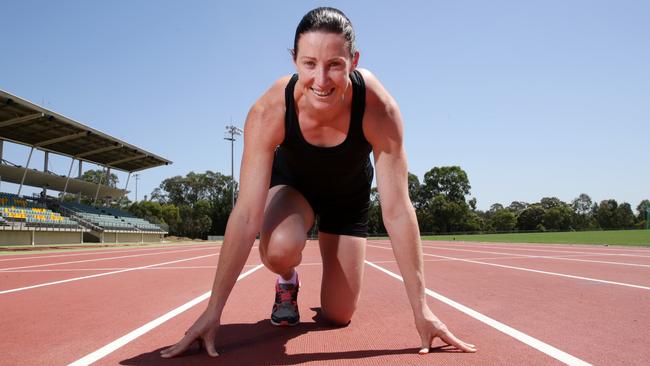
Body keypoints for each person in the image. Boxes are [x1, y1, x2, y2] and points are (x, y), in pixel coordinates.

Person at [161, 7, 476, 358]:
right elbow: (247, 214)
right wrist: (213, 310)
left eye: (335, 65)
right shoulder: (269, 111)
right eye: (310, 64)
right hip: (294, 189)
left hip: (348, 197)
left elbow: (398, 210)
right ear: (294, 60)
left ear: (353, 61)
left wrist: (422, 310)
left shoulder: (378, 108)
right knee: (279, 246)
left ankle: (329, 289)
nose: (322, 80)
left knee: (339, 315)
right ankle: (287, 280)